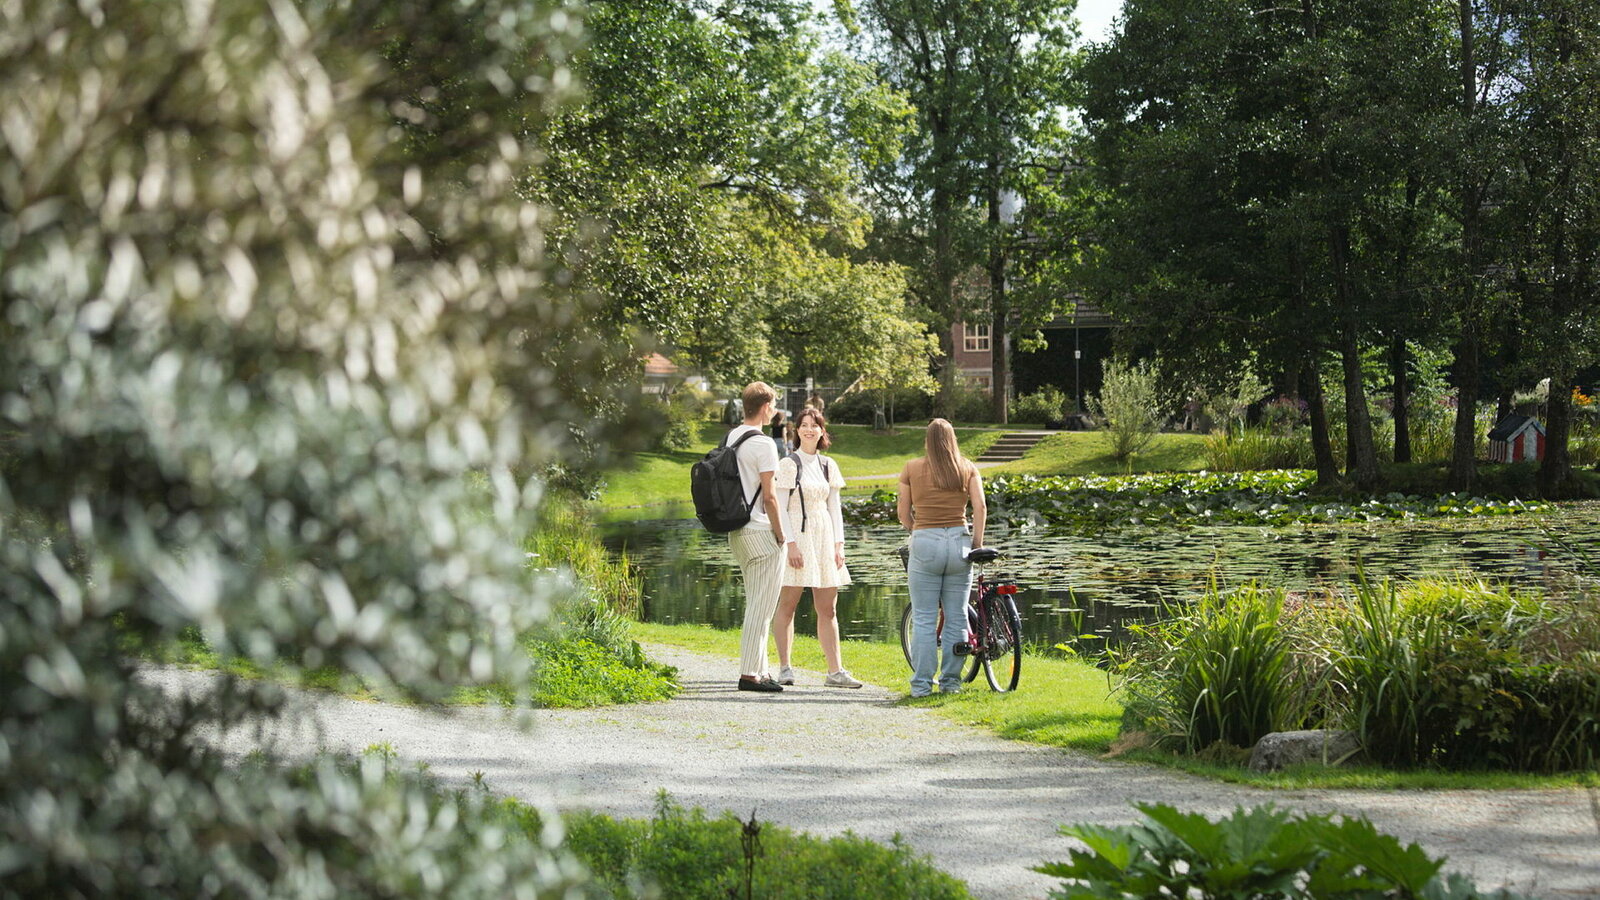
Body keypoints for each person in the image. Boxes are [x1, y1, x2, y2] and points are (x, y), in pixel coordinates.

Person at [771, 408, 861, 689]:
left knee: (829, 609)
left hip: (824, 536)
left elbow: (835, 507)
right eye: (804, 425)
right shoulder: (788, 464)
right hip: (798, 535)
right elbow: (781, 508)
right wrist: (791, 545)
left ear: (823, 431)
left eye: (815, 425)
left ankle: (835, 671)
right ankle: (785, 667)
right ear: (796, 430)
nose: (809, 430)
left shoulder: (828, 465)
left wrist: (839, 545)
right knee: (789, 603)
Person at [897, 418, 987, 698]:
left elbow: (903, 513)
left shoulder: (911, 468)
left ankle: (922, 686)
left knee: (924, 618)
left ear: (928, 440)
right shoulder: (967, 468)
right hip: (959, 542)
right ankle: (951, 682)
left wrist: (919, 530)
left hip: (926, 541)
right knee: (957, 617)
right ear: (953, 440)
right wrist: (976, 543)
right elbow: (981, 506)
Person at [727, 382, 790, 693]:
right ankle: (750, 674)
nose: (774, 410)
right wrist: (782, 535)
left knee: (757, 602)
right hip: (761, 532)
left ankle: (762, 670)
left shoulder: (733, 437)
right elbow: (770, 497)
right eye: (773, 405)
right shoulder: (764, 444)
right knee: (761, 608)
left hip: (737, 532)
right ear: (765, 407)